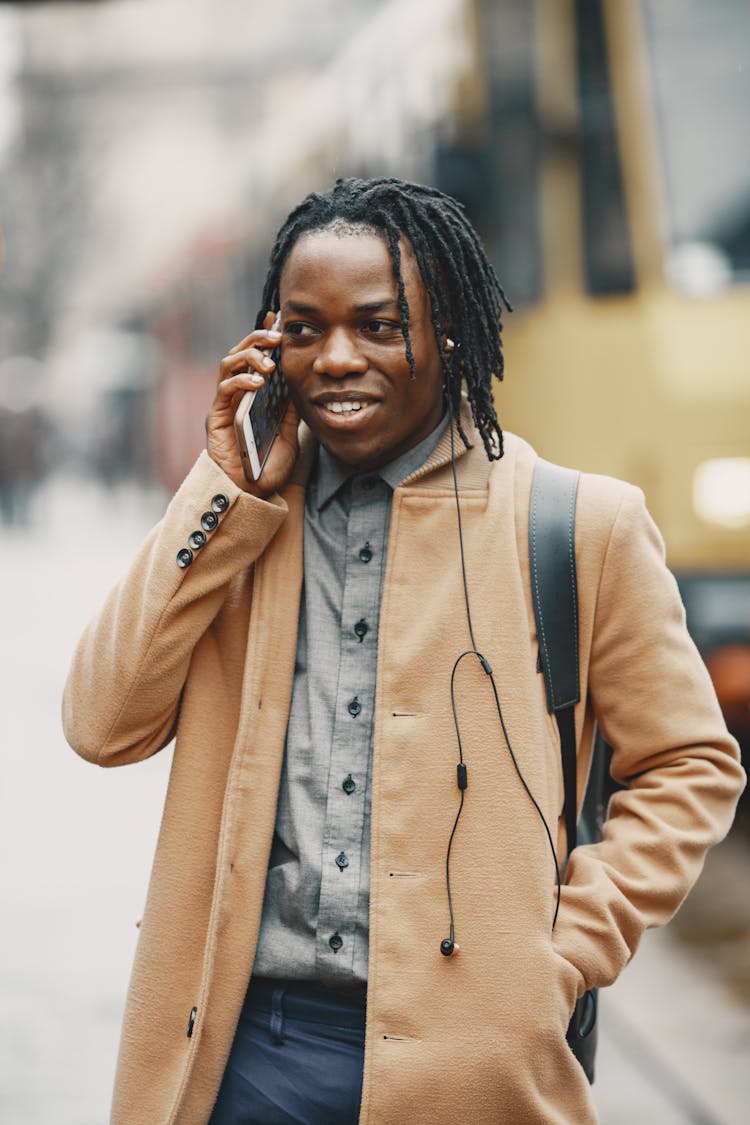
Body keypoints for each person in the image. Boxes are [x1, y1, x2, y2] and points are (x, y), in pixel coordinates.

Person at [63, 177, 745, 1125]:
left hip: (477, 1071)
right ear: (269, 347)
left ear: (449, 333)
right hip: (239, 1055)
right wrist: (215, 489)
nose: (337, 358)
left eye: (380, 325)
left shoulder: (580, 525)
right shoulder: (239, 526)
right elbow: (100, 725)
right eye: (303, 329)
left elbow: (690, 763)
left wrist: (564, 952)